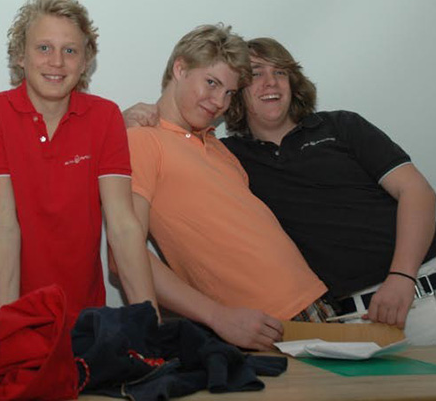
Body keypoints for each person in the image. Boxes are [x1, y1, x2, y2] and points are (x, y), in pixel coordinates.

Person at [220, 37, 436, 345]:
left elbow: (417, 192)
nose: (271, 82)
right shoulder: (228, 157)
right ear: (235, 90)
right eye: (257, 73)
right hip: (372, 323)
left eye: (280, 72)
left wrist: (401, 276)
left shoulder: (340, 125)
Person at [125, 24, 329, 351]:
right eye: (212, 83)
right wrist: (217, 316)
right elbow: (124, 253)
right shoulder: (142, 140)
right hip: (260, 325)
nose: (219, 102)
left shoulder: (219, 147)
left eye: (230, 93)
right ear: (180, 69)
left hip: (314, 303)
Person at [0, 0, 156, 319]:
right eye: (44, 48)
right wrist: (7, 326)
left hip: (87, 322)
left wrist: (149, 321)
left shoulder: (105, 116)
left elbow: (123, 225)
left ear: (85, 62)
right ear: (20, 56)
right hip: (13, 313)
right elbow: (1, 224)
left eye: (70, 51)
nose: (56, 62)